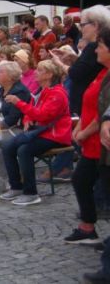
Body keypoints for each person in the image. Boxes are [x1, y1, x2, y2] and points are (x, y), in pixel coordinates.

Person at [0, 60, 72, 206]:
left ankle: (31, 192)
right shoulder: (43, 90)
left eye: (40, 70)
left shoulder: (58, 93)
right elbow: (33, 109)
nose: (36, 73)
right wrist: (27, 119)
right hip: (42, 132)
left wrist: (18, 102)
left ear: (49, 75)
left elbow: (42, 115)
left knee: (24, 150)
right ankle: (16, 187)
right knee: (8, 146)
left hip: (55, 134)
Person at [65, 29, 109, 245]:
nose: (96, 50)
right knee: (82, 180)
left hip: (100, 141)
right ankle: (88, 227)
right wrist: (80, 126)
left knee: (86, 181)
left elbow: (103, 114)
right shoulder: (101, 74)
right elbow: (90, 104)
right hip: (91, 140)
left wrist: (83, 130)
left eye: (100, 47)